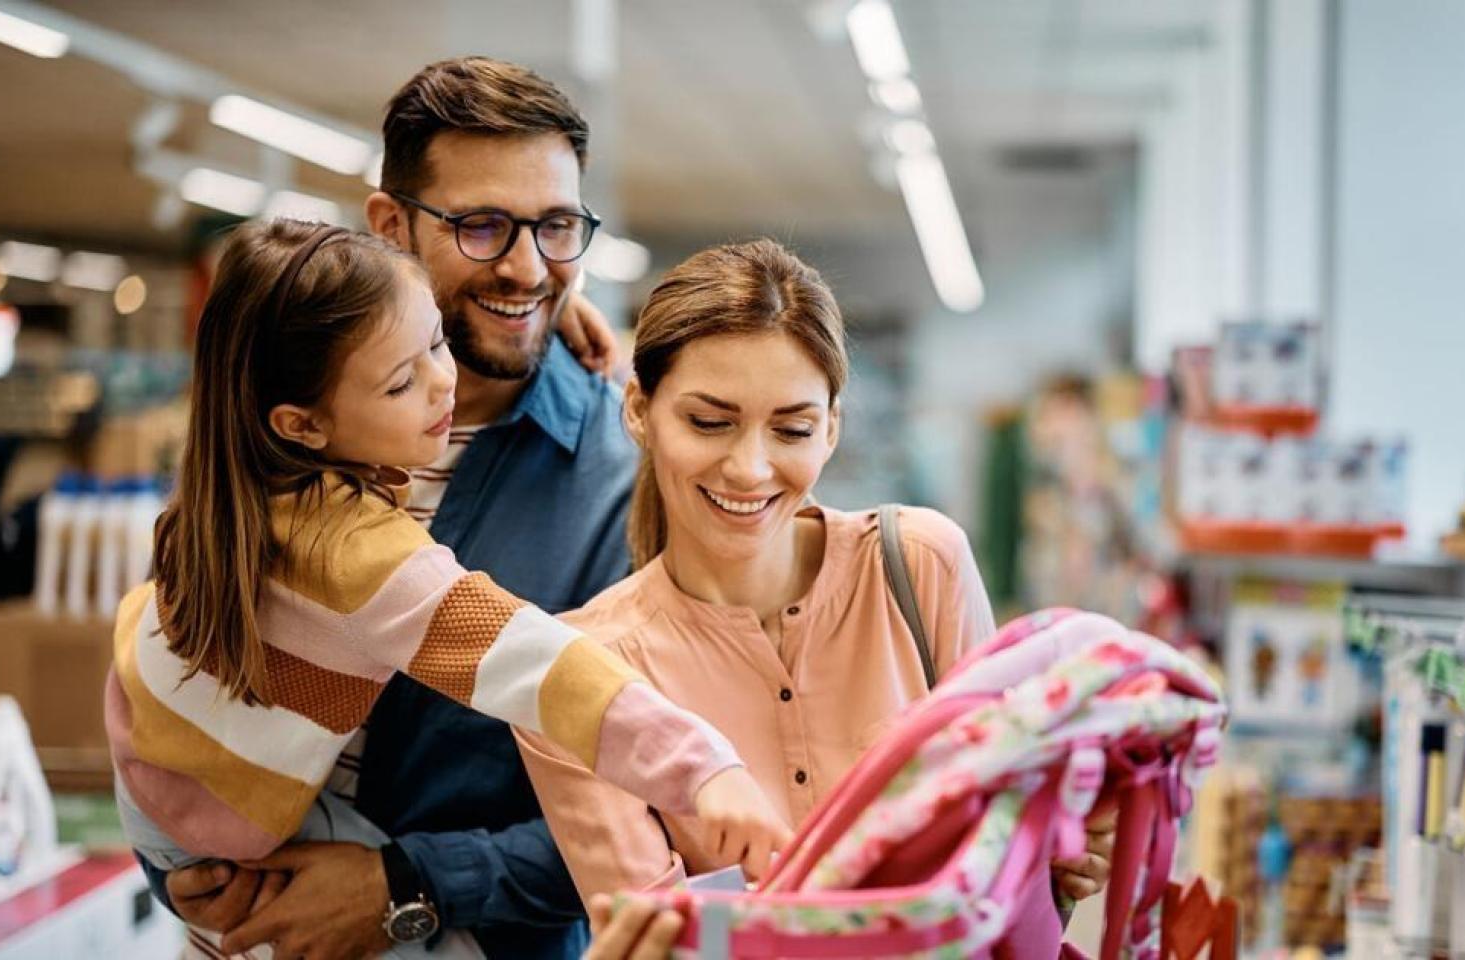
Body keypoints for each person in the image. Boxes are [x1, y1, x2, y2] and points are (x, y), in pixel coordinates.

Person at [109, 220, 791, 956]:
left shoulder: (228, 493)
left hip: (155, 776)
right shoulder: (356, 556)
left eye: (437, 342)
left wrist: (560, 313)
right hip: (224, 835)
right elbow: (543, 667)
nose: (445, 381)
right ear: (301, 423)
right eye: (401, 381)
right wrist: (705, 770)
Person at [147, 59, 645, 959]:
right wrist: (173, 859)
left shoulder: (624, 483)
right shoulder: (283, 426)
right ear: (390, 225)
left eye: (556, 226)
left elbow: (663, 813)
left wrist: (410, 885)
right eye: (483, 226)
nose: (528, 268)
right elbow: (181, 669)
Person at [518, 239, 1116, 916]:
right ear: (637, 409)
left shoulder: (921, 566)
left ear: (831, 428)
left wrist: (1058, 845)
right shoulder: (583, 675)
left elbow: (1006, 844)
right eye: (709, 422)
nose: (749, 468)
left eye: (793, 429)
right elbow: (657, 946)